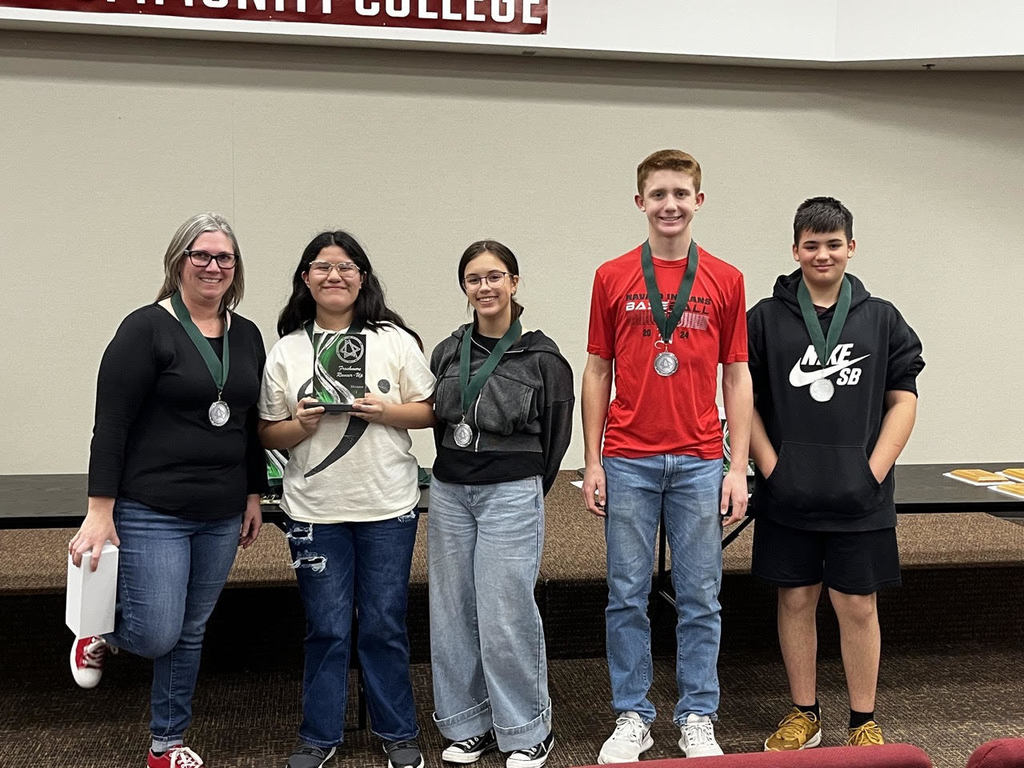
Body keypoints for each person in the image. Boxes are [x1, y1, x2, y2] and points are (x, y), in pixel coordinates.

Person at [69, 212, 266, 768]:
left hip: (222, 511)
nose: (212, 266)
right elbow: (111, 424)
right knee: (157, 633)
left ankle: (166, 745)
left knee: (191, 629)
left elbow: (248, 423)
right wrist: (99, 511)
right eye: (200, 255)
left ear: (236, 267)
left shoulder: (247, 335)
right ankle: (98, 631)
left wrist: (254, 494)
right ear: (178, 262)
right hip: (152, 508)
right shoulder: (145, 328)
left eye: (223, 257)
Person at [581, 149, 752, 763]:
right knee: (626, 593)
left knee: (702, 595)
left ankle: (697, 715)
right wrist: (593, 460)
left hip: (703, 458)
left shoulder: (726, 279)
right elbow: (597, 370)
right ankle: (633, 715)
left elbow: (737, 375)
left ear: (699, 201)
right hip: (628, 458)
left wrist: (737, 466)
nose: (670, 205)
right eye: (659, 195)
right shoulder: (612, 275)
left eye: (681, 193)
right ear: (640, 203)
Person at [747, 197, 924, 751]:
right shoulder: (765, 318)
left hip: (861, 497)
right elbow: (742, 397)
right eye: (810, 245)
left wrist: (873, 472)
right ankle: (805, 712)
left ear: (851, 247)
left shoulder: (881, 317)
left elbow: (904, 399)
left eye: (833, 244)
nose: (822, 254)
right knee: (795, 599)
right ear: (795, 249)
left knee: (857, 604)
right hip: (788, 493)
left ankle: (862, 719)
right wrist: (769, 466)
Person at [258, 230, 435, 768]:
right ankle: (319, 735)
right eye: (322, 266)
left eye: (346, 266)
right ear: (305, 278)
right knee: (327, 627)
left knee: (384, 622)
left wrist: (381, 411)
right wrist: (301, 423)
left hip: (387, 505)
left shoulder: (395, 339)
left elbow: (429, 412)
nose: (335, 276)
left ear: (363, 276)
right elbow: (267, 433)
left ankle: (398, 732)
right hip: (314, 509)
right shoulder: (287, 349)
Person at [428, 240, 574, 768]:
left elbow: (556, 438)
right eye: (473, 278)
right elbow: (440, 420)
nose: (484, 288)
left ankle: (525, 729)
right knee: (451, 610)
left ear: (515, 282)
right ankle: (468, 724)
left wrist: (524, 483)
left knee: (505, 610)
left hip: (510, 493)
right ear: (464, 287)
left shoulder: (542, 357)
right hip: (449, 491)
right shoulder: (448, 349)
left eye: (494, 277)